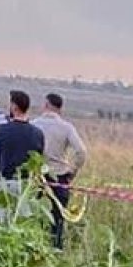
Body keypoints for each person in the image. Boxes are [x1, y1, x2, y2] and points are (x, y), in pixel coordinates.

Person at [30, 92, 88, 248]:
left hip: (37, 178)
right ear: (60, 109)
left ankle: (36, 247)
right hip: (60, 178)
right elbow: (81, 152)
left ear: (46, 105)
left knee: (35, 216)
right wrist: (72, 171)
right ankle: (56, 249)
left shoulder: (34, 124)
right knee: (58, 220)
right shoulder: (66, 128)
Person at [0, 90, 44, 222]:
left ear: (14, 106)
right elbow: (39, 160)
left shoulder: (2, 130)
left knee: (5, 223)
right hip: (28, 186)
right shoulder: (38, 133)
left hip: (8, 184)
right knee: (24, 223)